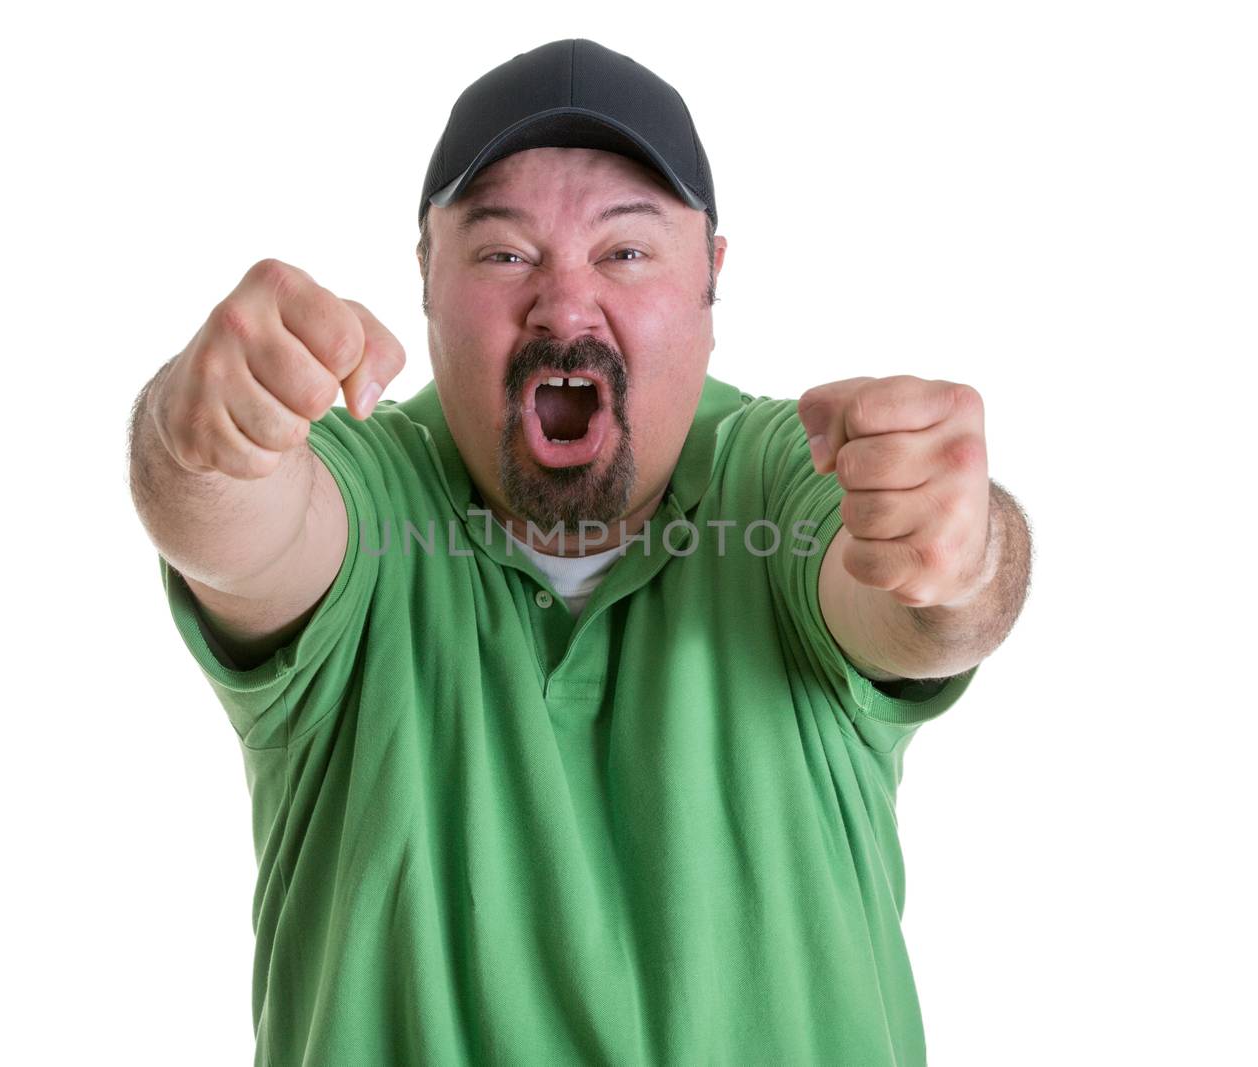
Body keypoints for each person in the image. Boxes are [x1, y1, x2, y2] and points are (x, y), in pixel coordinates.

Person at [128, 37, 1031, 1067]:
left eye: (625, 252)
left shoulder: (782, 474)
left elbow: (909, 610)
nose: (562, 307)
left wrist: (957, 551)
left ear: (711, 278)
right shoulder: (372, 491)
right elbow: (240, 523)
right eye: (504, 252)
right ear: (426, 272)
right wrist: (201, 438)